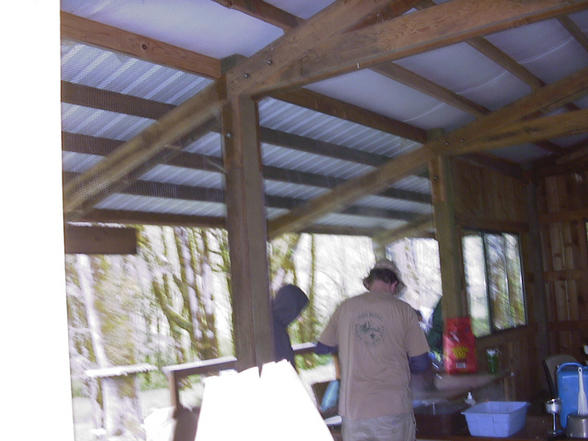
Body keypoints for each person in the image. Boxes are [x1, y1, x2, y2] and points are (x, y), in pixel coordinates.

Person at [316, 259, 431, 441]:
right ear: (394, 285)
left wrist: (352, 344)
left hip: (353, 411)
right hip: (392, 409)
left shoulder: (345, 308)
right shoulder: (404, 310)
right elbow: (421, 362)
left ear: (369, 282)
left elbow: (322, 348)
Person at [272, 284, 309, 367]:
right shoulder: (274, 330)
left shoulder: (278, 325)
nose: (298, 316)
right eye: (298, 311)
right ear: (290, 307)